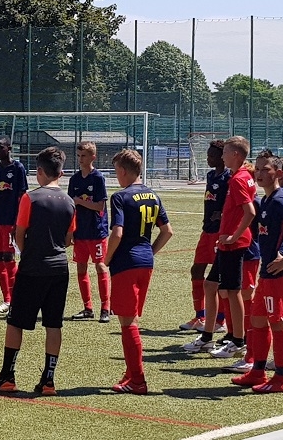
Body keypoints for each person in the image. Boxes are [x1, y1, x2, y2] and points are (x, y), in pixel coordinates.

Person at [0, 147, 75, 396]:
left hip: (33, 268)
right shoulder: (69, 201)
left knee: (15, 322)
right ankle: (48, 380)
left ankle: (8, 375)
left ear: (40, 171)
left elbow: (19, 234)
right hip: (60, 268)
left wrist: (30, 252)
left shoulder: (30, 198)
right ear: (60, 172)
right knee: (53, 324)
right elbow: (69, 239)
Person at [231, 154, 283, 393]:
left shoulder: (279, 199)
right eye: (257, 169)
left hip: (278, 274)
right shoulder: (267, 199)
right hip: (267, 271)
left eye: (265, 170)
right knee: (257, 320)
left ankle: (282, 378)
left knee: (278, 323)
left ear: (279, 173)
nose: (259, 173)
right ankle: (258, 371)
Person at [105, 149, 173, 395]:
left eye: (116, 171)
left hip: (126, 263)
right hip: (145, 262)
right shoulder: (153, 195)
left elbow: (117, 233)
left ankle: (138, 380)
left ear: (123, 171)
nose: (116, 176)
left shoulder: (120, 197)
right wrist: (149, 252)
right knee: (131, 318)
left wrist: (107, 257)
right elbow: (167, 231)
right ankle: (130, 373)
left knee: (128, 323)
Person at [183, 136, 256, 356]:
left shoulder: (238, 179)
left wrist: (234, 236)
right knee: (210, 284)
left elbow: (250, 212)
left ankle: (238, 341)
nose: (222, 156)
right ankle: (207, 336)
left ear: (235, 154)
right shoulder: (239, 176)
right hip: (224, 241)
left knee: (232, 291)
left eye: (224, 152)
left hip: (234, 243)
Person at [181, 140, 229, 333]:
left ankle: (220, 320)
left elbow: (237, 203)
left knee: (219, 276)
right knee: (196, 270)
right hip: (207, 230)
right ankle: (200, 316)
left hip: (220, 232)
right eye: (208, 155)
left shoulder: (229, 177)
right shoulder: (210, 175)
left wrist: (223, 214)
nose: (208, 158)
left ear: (222, 157)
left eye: (212, 155)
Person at [67, 142, 111, 323]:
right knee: (81, 267)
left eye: (83, 156)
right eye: (78, 156)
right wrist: (70, 231)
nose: (80, 159)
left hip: (97, 230)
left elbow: (100, 206)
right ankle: (88, 308)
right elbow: (71, 207)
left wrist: (79, 201)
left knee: (100, 266)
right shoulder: (74, 180)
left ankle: (105, 308)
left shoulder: (98, 178)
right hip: (80, 231)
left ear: (93, 157)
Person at [0, 136, 28, 313]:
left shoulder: (18, 168)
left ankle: (17, 299)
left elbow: (22, 197)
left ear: (9, 148)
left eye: (0, 147)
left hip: (11, 221)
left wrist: (18, 222)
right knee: (0, 259)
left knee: (9, 258)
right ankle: (7, 300)